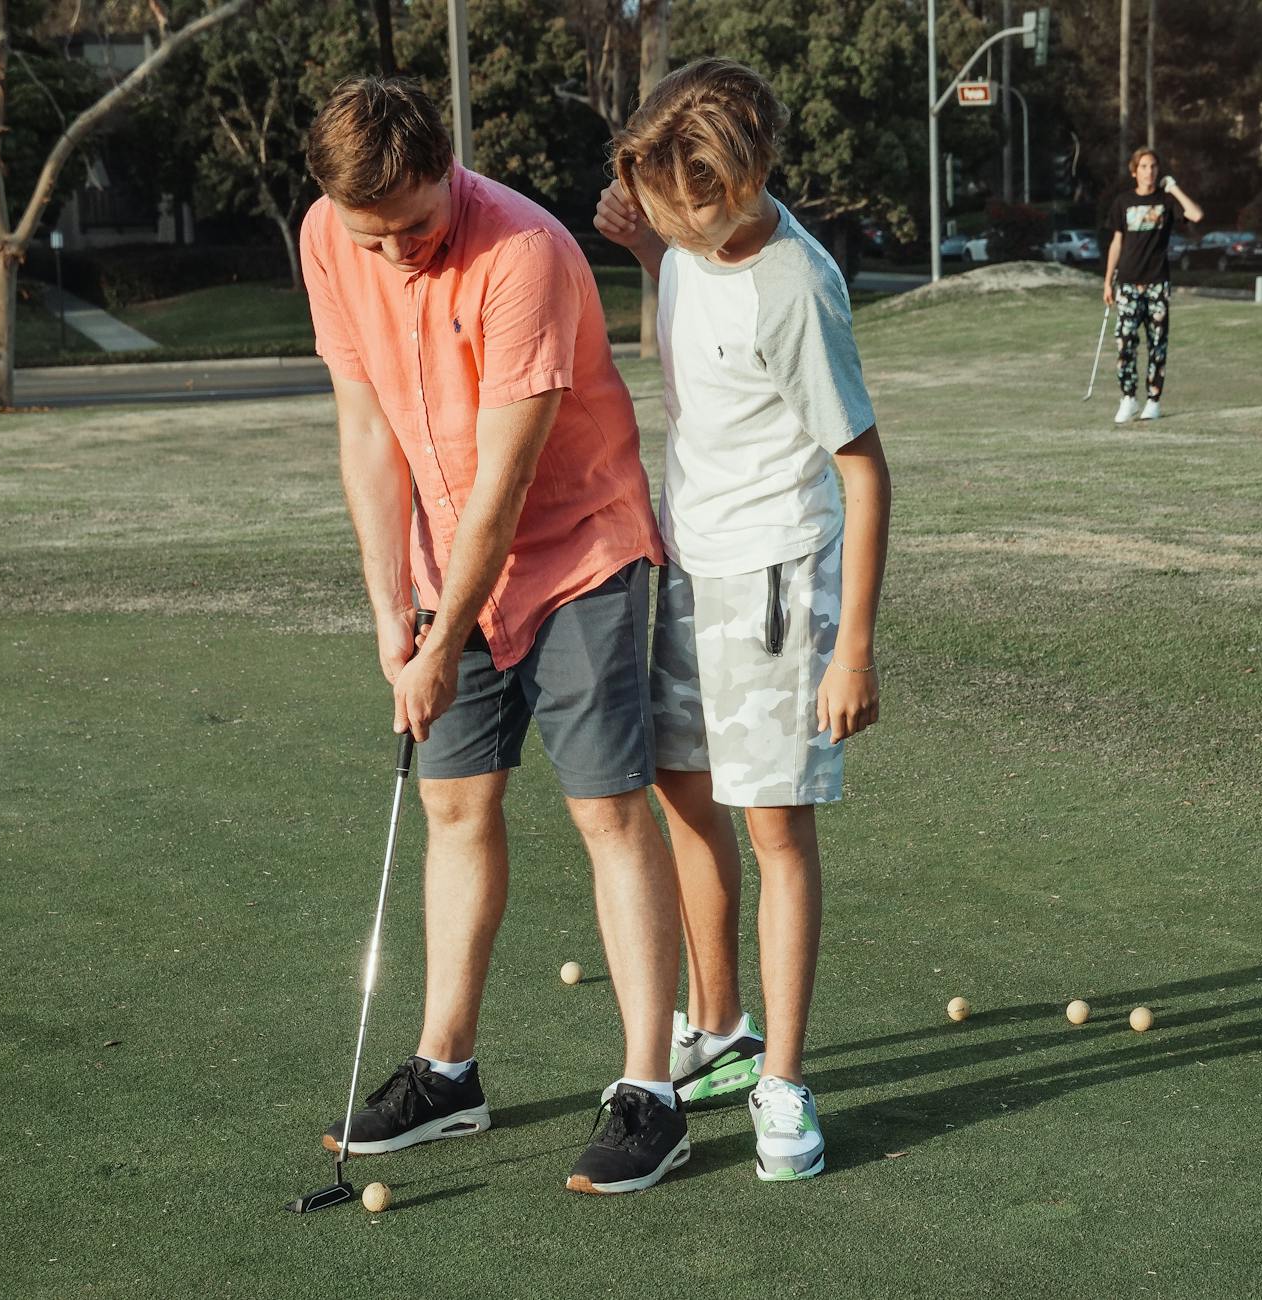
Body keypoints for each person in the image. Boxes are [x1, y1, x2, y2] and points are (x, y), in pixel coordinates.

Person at [299, 77, 689, 1196]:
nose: (394, 256)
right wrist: (390, 615)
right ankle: (447, 1071)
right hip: (444, 567)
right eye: (371, 237)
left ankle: (649, 1091)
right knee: (454, 804)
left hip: (578, 550)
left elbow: (508, 483)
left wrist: (436, 640)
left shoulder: (522, 249)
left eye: (415, 228)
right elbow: (367, 428)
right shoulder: (334, 236)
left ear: (448, 172)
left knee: (607, 806)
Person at [594, 57, 892, 1181]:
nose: (659, 218)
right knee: (680, 787)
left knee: (773, 828)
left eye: (673, 205)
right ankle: (716, 1033)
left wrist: (850, 645)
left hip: (776, 580)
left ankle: (782, 1083)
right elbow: (688, 329)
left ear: (733, 182)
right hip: (690, 561)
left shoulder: (794, 286)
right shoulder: (683, 247)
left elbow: (864, 475)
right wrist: (641, 248)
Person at [1102, 147, 1203, 424]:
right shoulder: (1123, 202)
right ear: (1134, 171)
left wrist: (1175, 189)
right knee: (1125, 343)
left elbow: (1195, 215)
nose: (1150, 171)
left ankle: (1153, 401)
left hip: (1157, 283)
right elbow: (1116, 242)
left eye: (1154, 167)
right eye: (1144, 166)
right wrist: (1108, 281)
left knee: (1157, 344)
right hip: (1128, 284)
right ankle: (1128, 398)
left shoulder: (1166, 202)